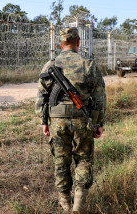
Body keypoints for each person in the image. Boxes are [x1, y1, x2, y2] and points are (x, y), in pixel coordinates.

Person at [35, 27, 106, 213]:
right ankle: (77, 207)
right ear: (78, 42)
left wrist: (44, 122)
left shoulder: (49, 65)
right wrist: (98, 124)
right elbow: (99, 99)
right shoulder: (88, 64)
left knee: (61, 161)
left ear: (60, 44)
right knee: (83, 160)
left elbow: (41, 97)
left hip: (57, 122)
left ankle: (65, 206)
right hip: (82, 121)